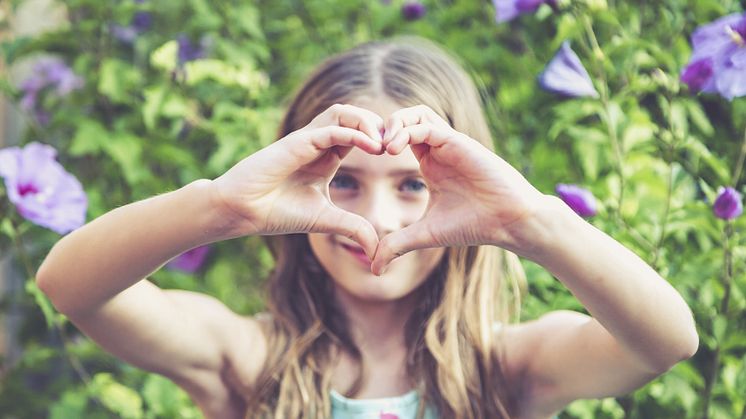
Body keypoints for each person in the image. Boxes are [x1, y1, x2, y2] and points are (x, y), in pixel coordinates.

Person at [36, 37, 698, 419]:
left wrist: (530, 219)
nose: (373, 220)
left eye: (413, 184)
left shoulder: (509, 367)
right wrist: (221, 206)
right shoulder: (247, 359)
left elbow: (666, 339)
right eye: (343, 181)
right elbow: (70, 285)